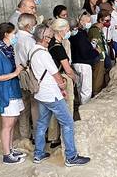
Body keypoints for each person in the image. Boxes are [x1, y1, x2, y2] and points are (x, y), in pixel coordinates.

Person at [29, 24, 90, 167]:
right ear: (44, 38)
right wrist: (62, 85)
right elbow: (56, 74)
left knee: (42, 123)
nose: (51, 39)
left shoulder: (33, 50)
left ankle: (38, 154)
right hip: (51, 94)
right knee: (68, 122)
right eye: (50, 36)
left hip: (41, 94)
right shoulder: (44, 54)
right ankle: (71, 156)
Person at [0, 23, 26, 165]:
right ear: (6, 34)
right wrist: (15, 73)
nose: (15, 36)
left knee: (13, 122)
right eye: (14, 33)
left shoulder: (9, 50)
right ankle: (6, 155)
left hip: (13, 90)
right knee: (7, 125)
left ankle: (10, 149)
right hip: (6, 92)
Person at [45, 18, 77, 148]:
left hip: (51, 80)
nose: (68, 31)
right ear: (61, 30)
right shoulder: (59, 48)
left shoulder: (50, 44)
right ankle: (66, 137)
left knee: (54, 110)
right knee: (66, 109)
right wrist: (74, 78)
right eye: (67, 29)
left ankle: (53, 137)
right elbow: (67, 69)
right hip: (62, 78)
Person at [15, 13, 41, 140]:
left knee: (23, 108)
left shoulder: (14, 37)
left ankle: (24, 135)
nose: (36, 26)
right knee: (35, 105)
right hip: (29, 75)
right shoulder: (29, 40)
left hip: (17, 75)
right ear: (28, 26)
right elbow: (34, 60)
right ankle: (37, 135)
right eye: (35, 23)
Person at [70, 13, 100, 105]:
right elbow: (85, 52)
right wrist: (96, 52)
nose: (90, 23)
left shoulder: (76, 34)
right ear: (81, 21)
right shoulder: (80, 35)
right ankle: (85, 109)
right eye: (88, 21)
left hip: (75, 63)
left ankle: (80, 108)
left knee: (80, 88)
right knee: (86, 90)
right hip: (84, 64)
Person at [89, 8, 112, 94]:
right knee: (98, 79)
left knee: (102, 77)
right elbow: (94, 44)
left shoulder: (99, 30)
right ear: (100, 20)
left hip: (103, 56)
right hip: (99, 58)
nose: (108, 22)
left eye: (109, 20)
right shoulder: (94, 30)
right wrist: (100, 54)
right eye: (106, 20)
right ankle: (96, 94)